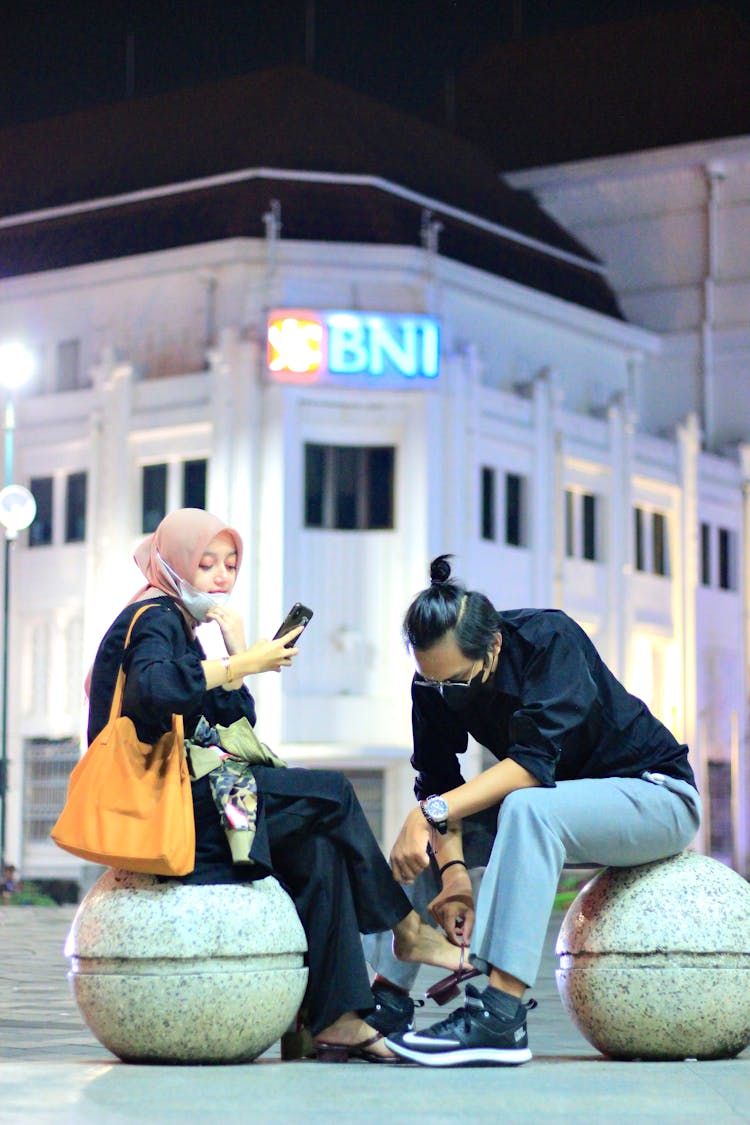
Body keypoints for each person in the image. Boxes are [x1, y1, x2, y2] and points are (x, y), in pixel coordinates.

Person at [86, 509, 462, 1062]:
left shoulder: (183, 629)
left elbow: (236, 722)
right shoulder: (153, 615)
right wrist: (242, 661)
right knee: (333, 794)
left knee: (319, 848)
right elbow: (155, 690)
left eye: (230, 564)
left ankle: (334, 1021)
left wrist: (237, 653)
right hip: (169, 812)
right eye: (205, 562)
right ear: (170, 561)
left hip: (204, 804)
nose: (220, 575)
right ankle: (405, 927)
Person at [381, 555, 701, 1068]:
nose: (443, 694)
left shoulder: (550, 640)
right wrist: (455, 875)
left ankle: (500, 1017)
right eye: (431, 682)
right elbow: (439, 783)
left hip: (654, 798)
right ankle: (386, 1002)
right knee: (420, 844)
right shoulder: (433, 680)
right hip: (561, 810)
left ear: (493, 647)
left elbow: (530, 768)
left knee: (519, 808)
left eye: (455, 683)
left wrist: (430, 812)